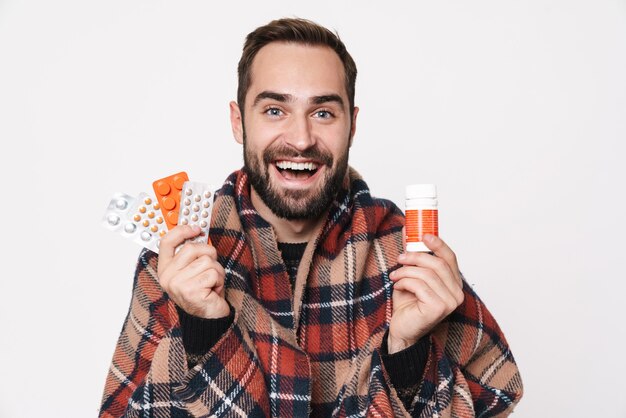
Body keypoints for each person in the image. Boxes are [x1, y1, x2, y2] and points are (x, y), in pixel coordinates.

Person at [99, 17, 523, 417]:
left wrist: (408, 353)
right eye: (274, 110)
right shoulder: (176, 260)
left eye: (323, 112)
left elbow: (498, 394)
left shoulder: (407, 251)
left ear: (351, 126)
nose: (301, 139)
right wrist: (203, 330)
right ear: (237, 122)